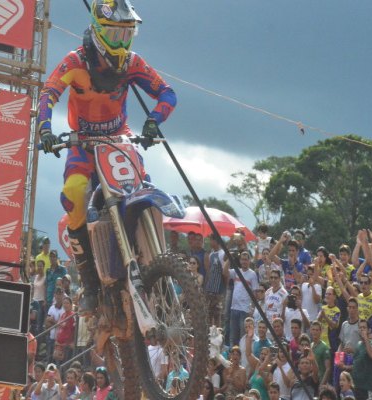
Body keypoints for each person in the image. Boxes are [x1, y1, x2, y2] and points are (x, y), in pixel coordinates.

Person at [37, 0, 176, 315]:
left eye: (128, 35)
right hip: (82, 144)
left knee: (146, 190)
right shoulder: (76, 61)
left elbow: (167, 93)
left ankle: (159, 267)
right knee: (73, 195)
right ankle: (88, 280)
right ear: (98, 32)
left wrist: (154, 120)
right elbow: (48, 92)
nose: (122, 43)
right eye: (115, 34)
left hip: (119, 139)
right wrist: (45, 129)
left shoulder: (132, 63)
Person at [229, 251, 259, 347]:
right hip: (234, 308)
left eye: (246, 259)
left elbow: (255, 292)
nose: (244, 262)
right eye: (242, 259)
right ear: (240, 260)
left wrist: (252, 308)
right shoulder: (236, 271)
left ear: (249, 261)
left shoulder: (252, 274)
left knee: (243, 335)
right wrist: (228, 259)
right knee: (234, 335)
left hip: (245, 309)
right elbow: (224, 272)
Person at [204, 234, 230, 327]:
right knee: (209, 314)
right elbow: (210, 271)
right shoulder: (211, 254)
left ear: (216, 241)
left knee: (218, 314)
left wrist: (224, 289)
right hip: (210, 289)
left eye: (211, 240)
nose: (210, 242)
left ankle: (218, 336)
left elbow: (225, 273)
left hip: (219, 290)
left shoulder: (222, 253)